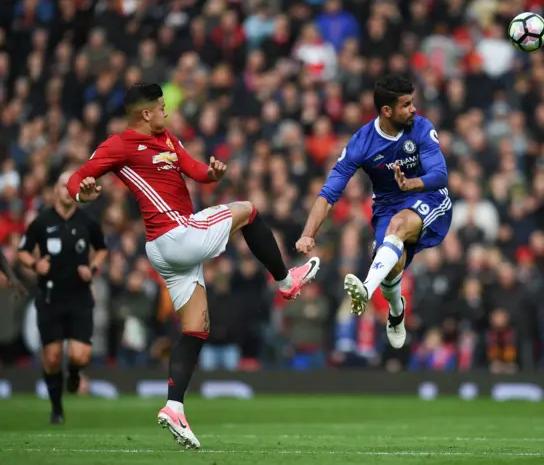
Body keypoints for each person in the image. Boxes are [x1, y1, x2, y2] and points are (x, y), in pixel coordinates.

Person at [66, 83, 319, 449]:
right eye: (161, 108)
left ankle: (174, 406)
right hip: (174, 234)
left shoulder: (167, 138)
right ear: (145, 113)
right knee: (248, 210)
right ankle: (285, 281)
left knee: (196, 327)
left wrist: (213, 173)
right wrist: (81, 191)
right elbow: (80, 175)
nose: (166, 113)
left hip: (167, 247)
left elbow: (196, 170)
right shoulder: (118, 145)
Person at [296, 75, 451, 349]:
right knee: (392, 267)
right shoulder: (362, 143)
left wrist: (411, 183)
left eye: (413, 103)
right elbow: (329, 192)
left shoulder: (421, 128)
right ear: (386, 111)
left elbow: (439, 175)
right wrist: (308, 234)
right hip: (387, 206)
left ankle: (365, 290)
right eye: (406, 105)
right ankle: (396, 311)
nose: (413, 109)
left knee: (397, 227)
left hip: (427, 196)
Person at [17, 170, 108, 424]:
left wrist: (90, 269)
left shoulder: (87, 222)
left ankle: (76, 373)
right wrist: (35, 265)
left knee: (80, 356)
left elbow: (101, 250)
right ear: (55, 190)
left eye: (73, 185)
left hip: (79, 297)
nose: (68, 189)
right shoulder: (42, 222)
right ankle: (57, 409)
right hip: (50, 297)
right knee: (53, 356)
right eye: (63, 185)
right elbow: (22, 252)